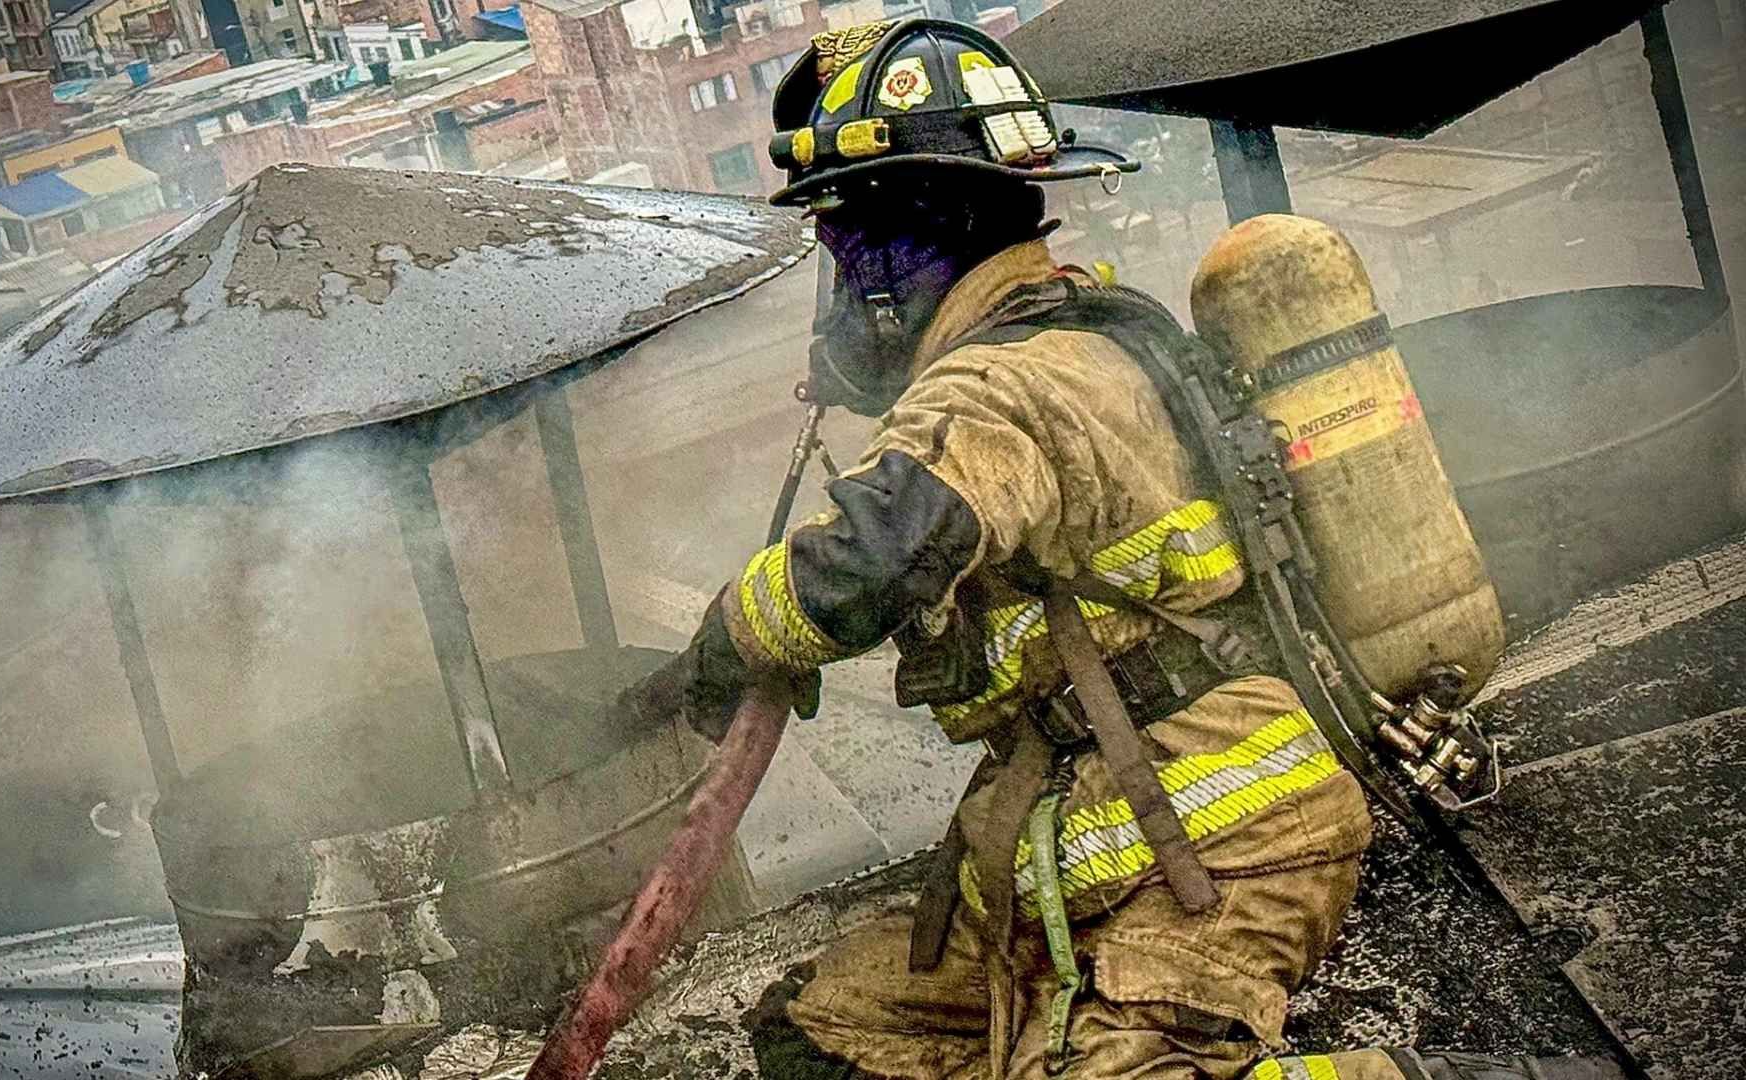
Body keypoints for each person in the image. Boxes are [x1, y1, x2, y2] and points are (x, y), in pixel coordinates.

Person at [626, 19, 1621, 1080]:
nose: (846, 279)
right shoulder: (1090, 326)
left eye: (854, 241)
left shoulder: (997, 388)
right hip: (1079, 844)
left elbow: (872, 557)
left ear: (933, 222)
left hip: (1218, 842)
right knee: (830, 1031)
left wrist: (719, 647)